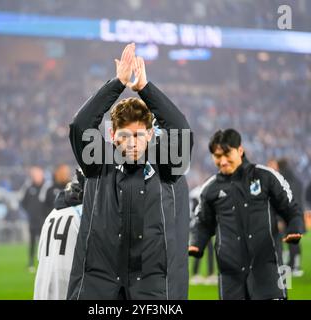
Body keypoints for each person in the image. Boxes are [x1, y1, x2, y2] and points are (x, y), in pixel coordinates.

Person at [67, 43, 193, 300]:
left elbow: (180, 128)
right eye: (125, 135)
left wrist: (145, 89)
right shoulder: (98, 162)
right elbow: (80, 125)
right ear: (113, 135)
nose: (132, 142)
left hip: (150, 286)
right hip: (100, 283)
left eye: (138, 135)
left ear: (149, 134)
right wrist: (117, 84)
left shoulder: (166, 165)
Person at [189, 129, 303, 300]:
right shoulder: (210, 189)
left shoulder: (265, 176)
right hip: (230, 277)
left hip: (270, 270)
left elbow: (291, 208)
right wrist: (196, 243)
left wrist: (294, 227)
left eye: (227, 154)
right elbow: (202, 223)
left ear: (240, 150)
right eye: (217, 156)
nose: (222, 161)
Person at [34, 169, 85, 300]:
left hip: (42, 288)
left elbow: (40, 256)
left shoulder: (52, 213)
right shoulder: (87, 215)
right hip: (67, 289)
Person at [267, 158, 305, 277]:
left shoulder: (283, 179)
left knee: (289, 241)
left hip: (288, 215)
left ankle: (290, 266)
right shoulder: (294, 178)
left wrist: (280, 219)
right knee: (294, 241)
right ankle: (294, 265)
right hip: (296, 213)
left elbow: (283, 201)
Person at [21, 166, 50, 272]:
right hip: (32, 221)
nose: (36, 176)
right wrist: (30, 211)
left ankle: (45, 263)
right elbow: (23, 202)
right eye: (34, 175)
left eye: (37, 174)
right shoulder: (29, 187)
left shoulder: (47, 187)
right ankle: (30, 263)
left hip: (44, 221)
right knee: (32, 242)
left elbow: (49, 203)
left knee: (45, 243)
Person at [189, 185, 217, 285]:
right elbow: (194, 211)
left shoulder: (202, 191)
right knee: (198, 249)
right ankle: (196, 274)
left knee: (208, 250)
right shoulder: (197, 193)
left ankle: (210, 274)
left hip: (204, 224)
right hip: (199, 225)